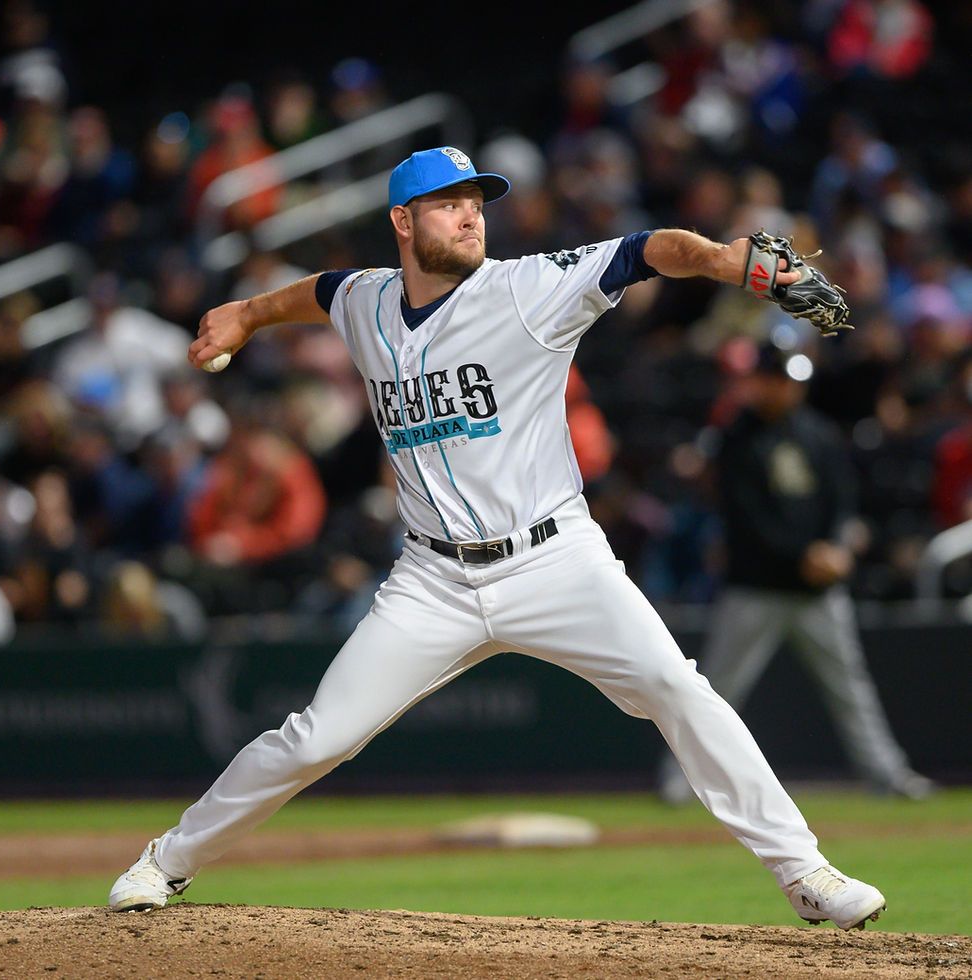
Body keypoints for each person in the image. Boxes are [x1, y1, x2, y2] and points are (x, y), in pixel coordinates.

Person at [109, 145, 887, 931]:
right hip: (432, 581)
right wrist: (245, 313)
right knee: (316, 741)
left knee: (678, 688)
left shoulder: (527, 288)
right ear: (403, 222)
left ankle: (806, 873)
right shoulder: (368, 301)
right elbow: (316, 293)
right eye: (449, 203)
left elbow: (648, 250)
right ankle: (164, 862)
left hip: (555, 560)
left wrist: (722, 259)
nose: (471, 213)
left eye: (477, 200)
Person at [657, 340, 936, 803]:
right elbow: (746, 516)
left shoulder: (817, 432)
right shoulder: (736, 437)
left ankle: (889, 774)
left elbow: (841, 501)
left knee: (851, 689)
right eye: (780, 380)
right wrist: (805, 555)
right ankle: (680, 780)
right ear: (760, 380)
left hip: (818, 592)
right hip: (755, 589)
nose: (788, 390)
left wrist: (838, 545)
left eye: (793, 382)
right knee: (715, 690)